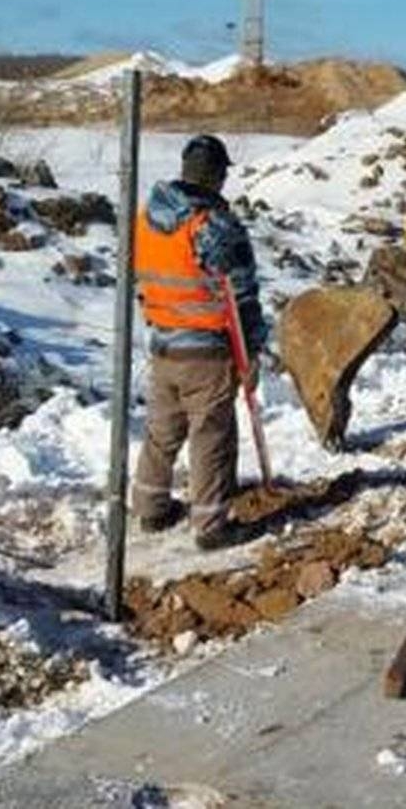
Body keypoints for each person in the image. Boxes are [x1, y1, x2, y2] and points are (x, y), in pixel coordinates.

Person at [131, 134, 267, 550]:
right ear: (217, 175)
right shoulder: (212, 225)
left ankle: (150, 508)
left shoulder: (146, 219)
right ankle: (211, 525)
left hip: (163, 343)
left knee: (162, 431)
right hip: (207, 349)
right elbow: (241, 294)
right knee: (211, 435)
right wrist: (253, 348)